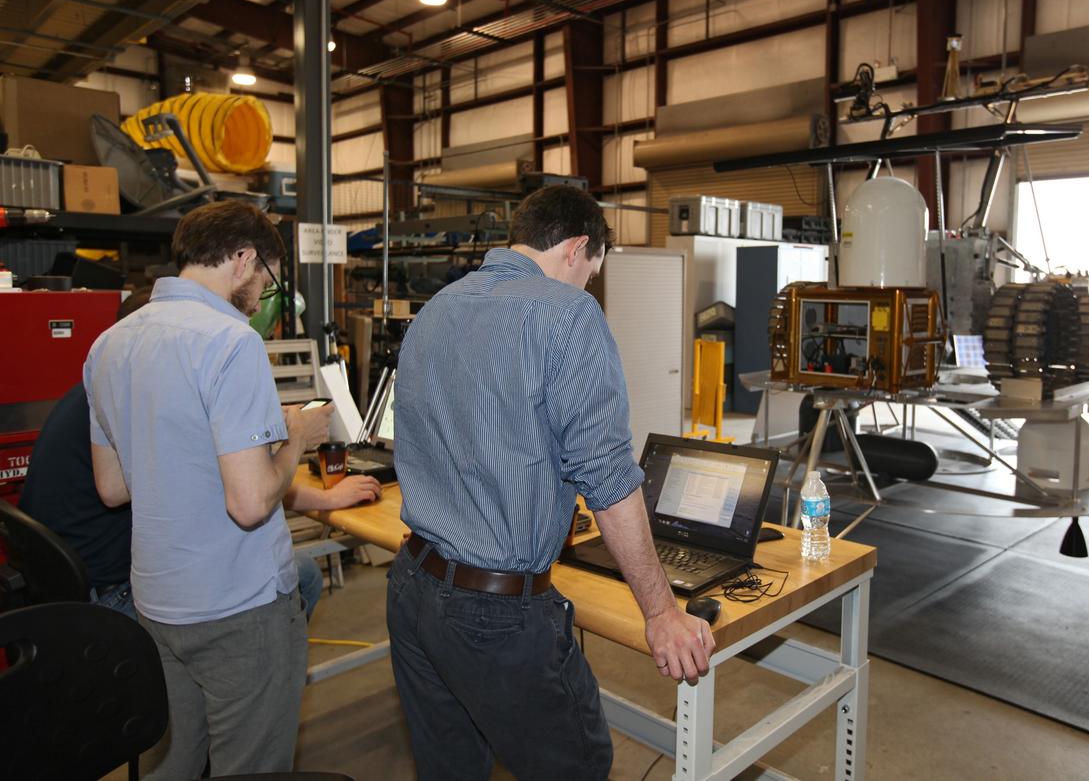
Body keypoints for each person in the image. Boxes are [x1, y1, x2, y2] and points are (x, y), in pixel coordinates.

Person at [388, 185, 714, 780]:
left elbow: (453, 435)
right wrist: (662, 612)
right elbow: (608, 478)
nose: (588, 286)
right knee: (579, 766)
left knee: (451, 769)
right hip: (493, 615)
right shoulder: (569, 315)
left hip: (412, 585)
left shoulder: (439, 306)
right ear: (578, 247)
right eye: (592, 272)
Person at [84, 200, 340, 779]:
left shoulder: (109, 344)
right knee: (249, 765)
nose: (262, 295)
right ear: (244, 259)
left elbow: (112, 486)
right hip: (237, 606)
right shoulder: (232, 341)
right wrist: (295, 436)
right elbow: (249, 504)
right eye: (266, 278)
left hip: (157, 602)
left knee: (173, 762)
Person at [21, 287, 379, 622]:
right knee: (298, 574)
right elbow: (245, 491)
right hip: (109, 594)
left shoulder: (104, 388)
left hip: (63, 583)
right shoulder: (151, 403)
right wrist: (304, 456)